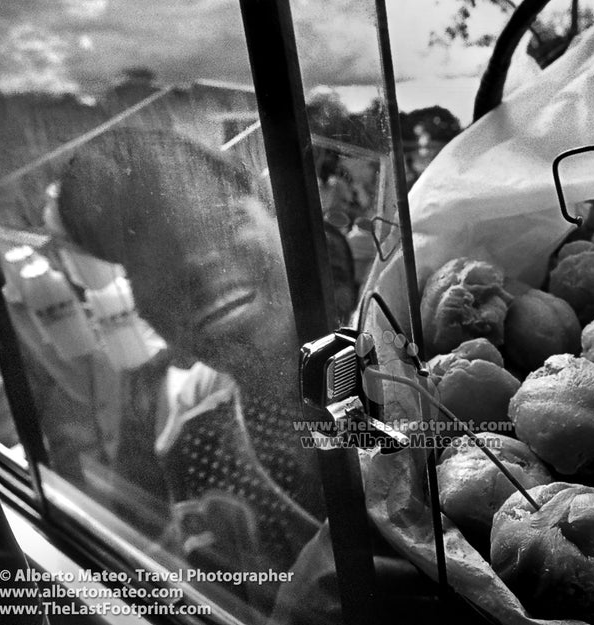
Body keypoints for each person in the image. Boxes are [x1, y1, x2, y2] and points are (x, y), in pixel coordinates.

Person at [54, 126, 366, 617]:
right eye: (146, 261)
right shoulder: (186, 441)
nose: (196, 265)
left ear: (284, 221)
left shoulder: (411, 348)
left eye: (221, 218)